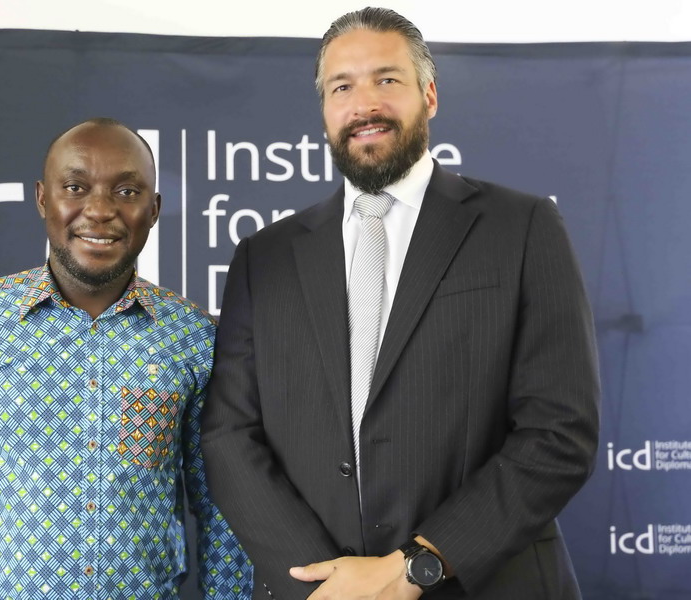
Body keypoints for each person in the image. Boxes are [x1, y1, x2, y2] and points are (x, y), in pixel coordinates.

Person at [201, 7, 599, 600]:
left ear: (429, 95)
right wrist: (323, 582)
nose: (364, 104)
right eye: (342, 87)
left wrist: (416, 566)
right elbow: (229, 434)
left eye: (386, 79)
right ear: (325, 111)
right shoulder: (265, 257)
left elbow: (560, 432)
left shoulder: (521, 227)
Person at [0, 118, 252, 600]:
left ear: (153, 210)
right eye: (75, 187)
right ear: (43, 198)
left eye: (127, 192)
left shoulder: (193, 338)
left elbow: (222, 511)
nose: (100, 210)